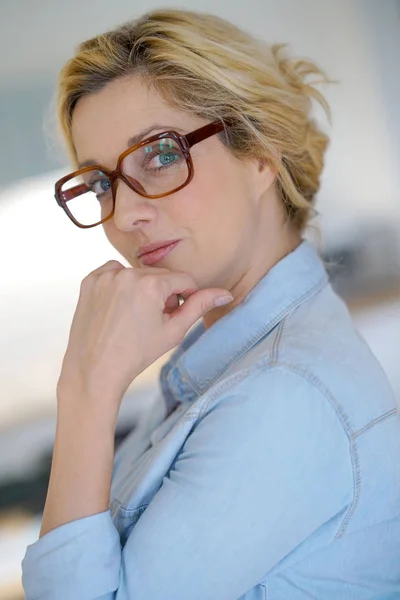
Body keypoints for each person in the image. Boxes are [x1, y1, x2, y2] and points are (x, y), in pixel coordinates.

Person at [21, 8, 400, 600]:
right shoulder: (221, 361)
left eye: (161, 154)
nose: (124, 214)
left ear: (261, 154)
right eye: (101, 184)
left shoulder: (286, 391)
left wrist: (87, 389)